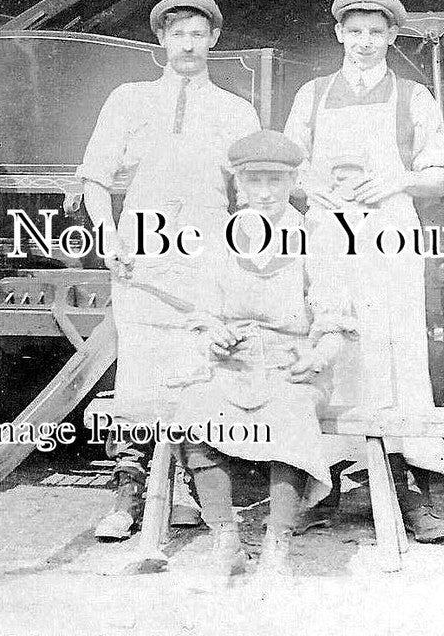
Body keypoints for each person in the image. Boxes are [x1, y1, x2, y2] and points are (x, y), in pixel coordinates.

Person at [78, 0, 261, 540]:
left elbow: (250, 192)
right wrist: (107, 235)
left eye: (198, 33)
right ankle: (128, 495)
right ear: (161, 40)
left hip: (207, 244)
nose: (187, 43)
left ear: (213, 40)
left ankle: (187, 492)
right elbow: (95, 177)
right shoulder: (129, 99)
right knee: (139, 368)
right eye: (177, 33)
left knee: (197, 365)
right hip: (142, 243)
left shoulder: (235, 109)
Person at [283, 0, 444, 543]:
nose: (364, 43)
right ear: (339, 34)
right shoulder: (311, 96)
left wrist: (396, 181)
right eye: (354, 31)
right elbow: (284, 168)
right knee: (332, 342)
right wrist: (312, 186)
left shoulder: (413, 97)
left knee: (395, 345)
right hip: (330, 233)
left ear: (390, 37)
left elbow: (439, 177)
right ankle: (326, 484)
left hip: (389, 233)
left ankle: (414, 490)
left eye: (376, 33)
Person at [175, 129, 355, 579]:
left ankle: (277, 547)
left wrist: (317, 357)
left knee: (290, 413)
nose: (265, 192)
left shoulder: (315, 235)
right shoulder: (221, 239)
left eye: (276, 180)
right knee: (194, 409)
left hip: (291, 364)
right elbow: (202, 314)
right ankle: (227, 541)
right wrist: (211, 335)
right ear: (239, 184)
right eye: (254, 181)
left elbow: (334, 319)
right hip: (233, 365)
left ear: (293, 181)